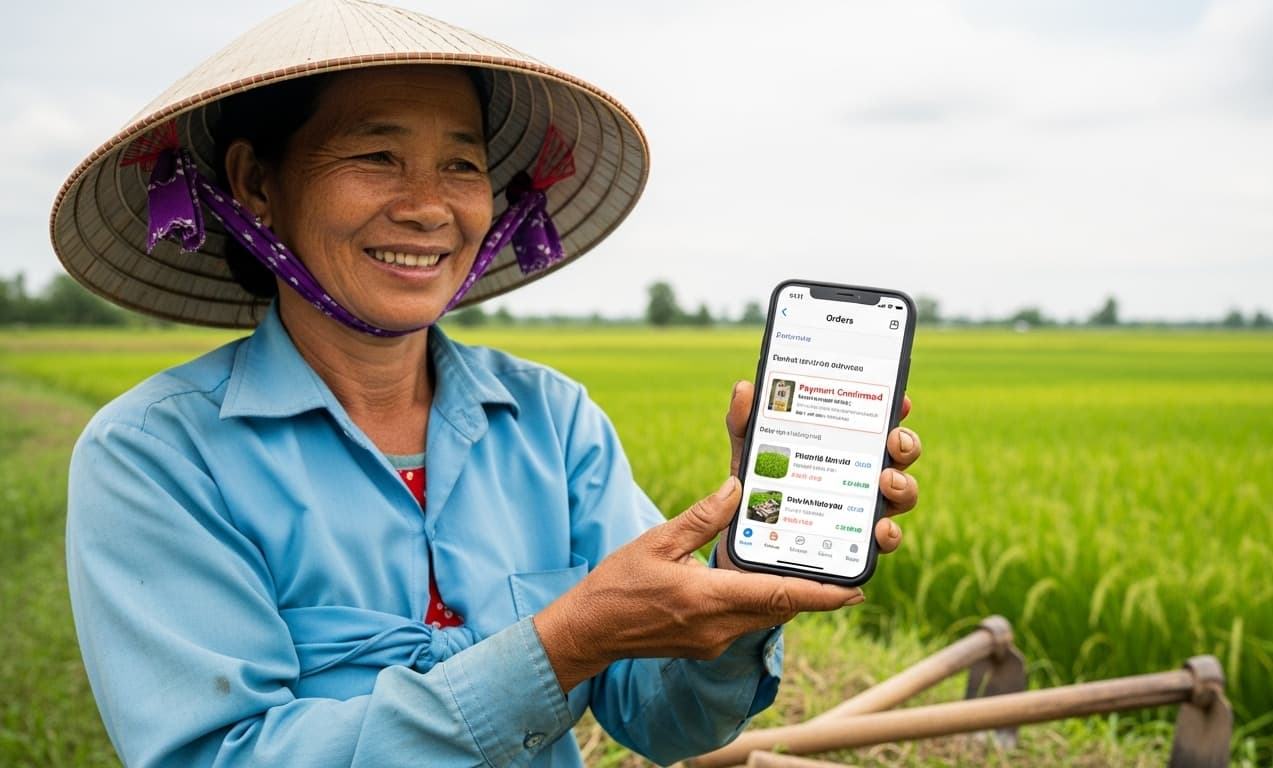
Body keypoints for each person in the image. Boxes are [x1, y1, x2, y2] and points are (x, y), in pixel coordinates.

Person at [52, 2, 923, 766]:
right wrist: (561, 643)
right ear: (255, 183)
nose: (431, 207)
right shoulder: (156, 455)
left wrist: (737, 580)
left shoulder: (552, 422)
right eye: (378, 156)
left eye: (462, 166)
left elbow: (663, 719)